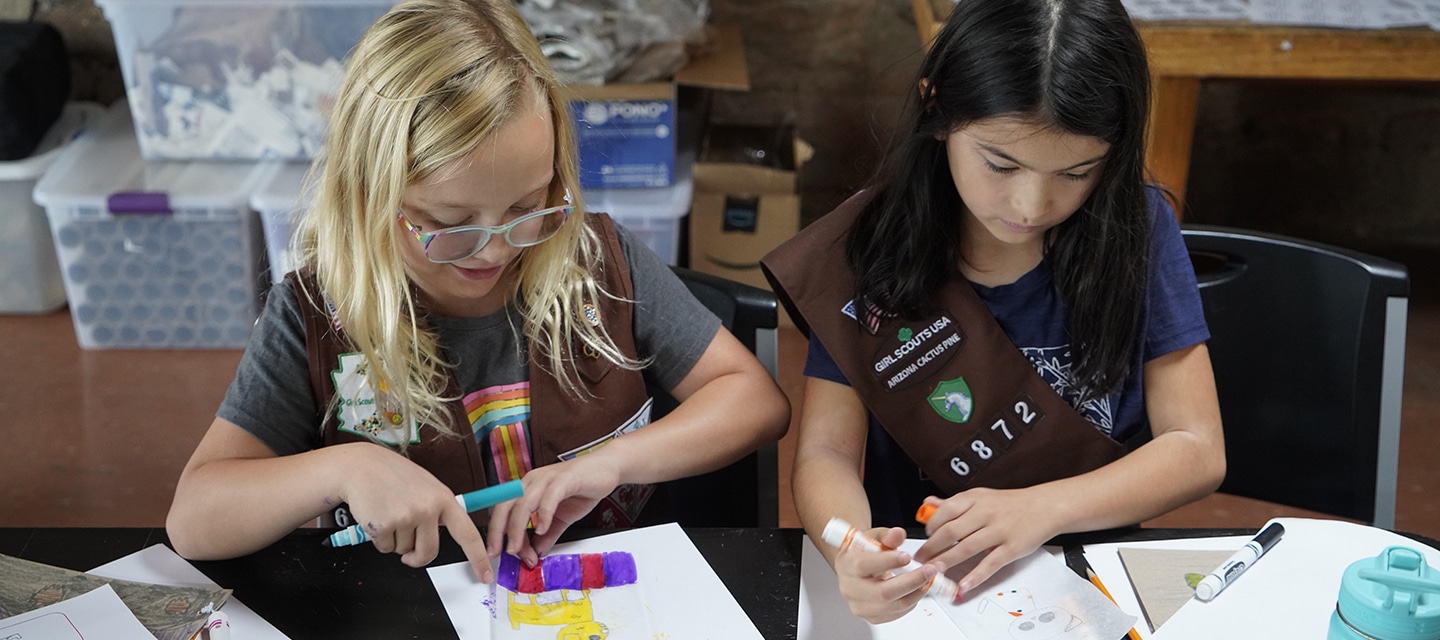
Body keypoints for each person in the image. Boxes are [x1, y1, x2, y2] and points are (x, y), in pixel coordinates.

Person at [165, 0, 789, 585]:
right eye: (449, 223)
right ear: (366, 194)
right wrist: (342, 469)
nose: (494, 250)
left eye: (526, 206)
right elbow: (193, 519)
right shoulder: (317, 314)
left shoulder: (596, 261)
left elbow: (755, 402)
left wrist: (615, 461)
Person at [761, 0, 1224, 624]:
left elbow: (1197, 448)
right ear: (936, 108)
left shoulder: (1136, 229)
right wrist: (849, 547)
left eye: (1077, 171)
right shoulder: (869, 248)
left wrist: (1043, 509)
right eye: (1000, 163)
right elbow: (825, 456)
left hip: (1090, 570)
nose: (1032, 204)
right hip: (926, 584)